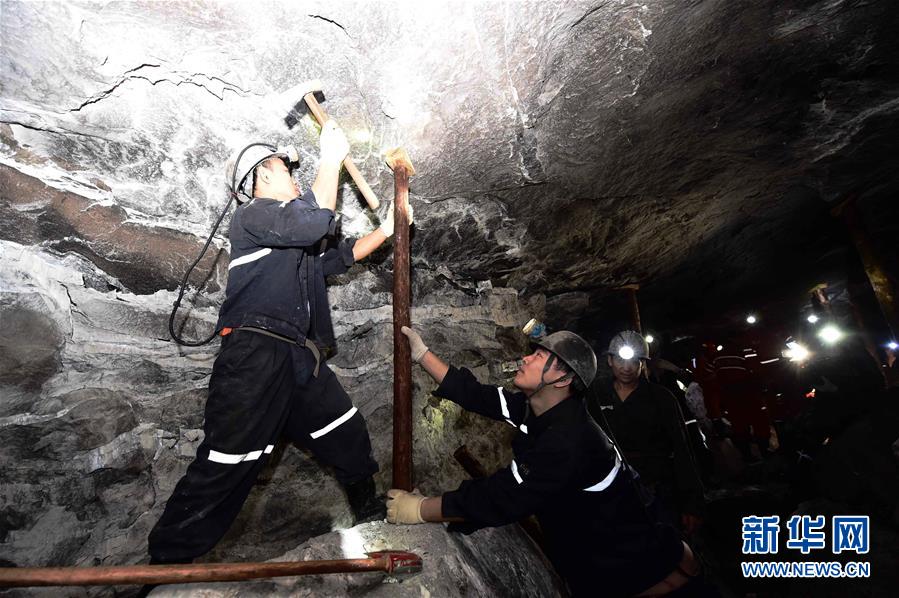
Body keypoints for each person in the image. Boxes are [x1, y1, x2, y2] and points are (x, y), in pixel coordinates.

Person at [146, 121, 409, 565]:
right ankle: (163, 570)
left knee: (347, 433)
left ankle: (368, 519)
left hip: (299, 359)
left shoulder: (290, 247)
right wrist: (330, 158)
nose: (296, 178)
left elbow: (337, 257)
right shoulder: (253, 216)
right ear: (263, 175)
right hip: (255, 353)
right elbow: (310, 222)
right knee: (227, 465)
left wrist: (386, 230)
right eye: (288, 170)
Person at [388, 326, 710, 597]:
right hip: (613, 556)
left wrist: (418, 509)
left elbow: (501, 496)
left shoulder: (567, 441)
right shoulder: (540, 410)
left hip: (646, 568)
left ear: (562, 379)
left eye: (539, 357)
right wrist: (422, 354)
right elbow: (482, 397)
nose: (526, 358)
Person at [586, 331, 705, 535]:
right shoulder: (595, 395)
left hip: (656, 488)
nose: (627, 368)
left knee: (663, 550)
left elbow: (682, 450)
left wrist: (691, 504)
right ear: (609, 360)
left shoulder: (662, 398)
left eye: (634, 361)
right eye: (620, 360)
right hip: (609, 491)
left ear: (643, 363)